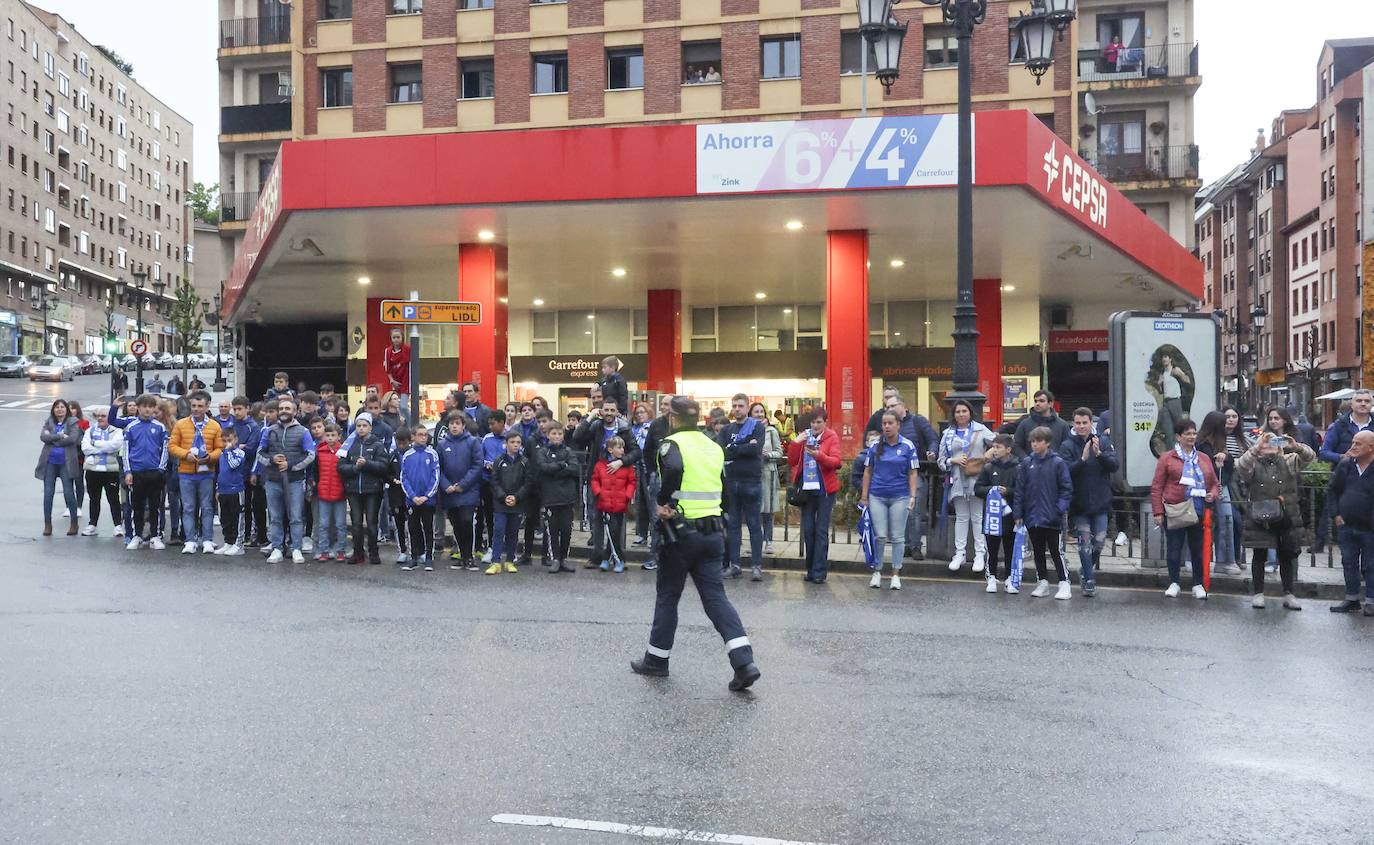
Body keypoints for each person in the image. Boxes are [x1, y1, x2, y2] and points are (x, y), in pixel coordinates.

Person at [631, 395, 760, 692]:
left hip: (680, 533)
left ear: (673, 419)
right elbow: (724, 493)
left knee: (668, 596)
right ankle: (744, 662)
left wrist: (663, 501)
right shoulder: (713, 446)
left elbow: (673, 469)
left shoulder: (671, 444)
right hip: (712, 535)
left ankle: (657, 660)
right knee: (716, 598)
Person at [1235, 427, 1313, 611]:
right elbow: (1241, 465)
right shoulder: (1254, 464)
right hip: (1260, 516)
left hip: (1286, 516)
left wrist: (1297, 446)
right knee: (1259, 554)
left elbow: (1310, 457)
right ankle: (1258, 593)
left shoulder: (1289, 461)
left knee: (1287, 555)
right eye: (1266, 443)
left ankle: (1288, 593)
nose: (1269, 446)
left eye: (1273, 443)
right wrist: (1257, 447)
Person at [1149, 418, 1220, 600]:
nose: (1191, 437)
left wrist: (1212, 494)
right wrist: (1158, 511)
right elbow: (1157, 486)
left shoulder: (1203, 458)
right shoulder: (1168, 458)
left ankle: (1198, 584)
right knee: (1174, 548)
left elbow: (1214, 484)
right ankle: (1174, 582)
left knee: (1197, 549)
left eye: (1194, 433)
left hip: (1199, 510)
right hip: (1176, 509)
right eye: (1187, 433)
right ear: (1178, 437)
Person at [1059, 407, 1118, 596]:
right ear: (1073, 424)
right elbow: (1065, 471)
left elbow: (1114, 465)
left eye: (1085, 422)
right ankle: (1089, 579)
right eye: (1078, 423)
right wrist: (1082, 460)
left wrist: (1099, 454)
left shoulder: (1103, 440)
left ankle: (1085, 571)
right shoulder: (1067, 445)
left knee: (1099, 542)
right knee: (1084, 543)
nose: (1082, 426)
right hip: (1080, 502)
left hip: (1101, 500)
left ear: (1091, 423)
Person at [860, 410, 919, 590]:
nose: (886, 426)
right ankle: (877, 572)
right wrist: (864, 496)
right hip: (877, 495)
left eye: (890, 423)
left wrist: (912, 496)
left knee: (897, 537)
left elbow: (913, 472)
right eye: (884, 424)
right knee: (880, 536)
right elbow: (868, 471)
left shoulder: (908, 446)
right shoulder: (875, 445)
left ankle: (895, 573)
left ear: (898, 425)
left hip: (899, 496)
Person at [1014, 426, 1074, 599]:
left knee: (1056, 551)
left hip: (1051, 515)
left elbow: (1066, 489)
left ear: (1047, 443)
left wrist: (1059, 509)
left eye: (1039, 441)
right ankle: (1043, 582)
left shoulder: (1057, 463)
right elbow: (1020, 490)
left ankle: (1064, 583)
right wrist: (1018, 513)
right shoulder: (1026, 463)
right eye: (1032, 441)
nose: (1035, 444)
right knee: (1038, 551)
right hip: (1032, 515)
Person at [253, 398, 315, 564]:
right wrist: (272, 460)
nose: (284, 411)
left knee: (296, 517)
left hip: (295, 480)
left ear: (295, 411)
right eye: (281, 408)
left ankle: (296, 548)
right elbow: (260, 453)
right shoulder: (269, 430)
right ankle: (277, 548)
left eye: (288, 408)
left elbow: (310, 455)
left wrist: (291, 465)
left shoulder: (303, 431)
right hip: (273, 480)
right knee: (275, 517)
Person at [937, 399, 994, 573]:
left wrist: (985, 457)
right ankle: (959, 553)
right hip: (957, 481)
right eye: (957, 412)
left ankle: (979, 554)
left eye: (964, 411)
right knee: (962, 517)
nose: (961, 414)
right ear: (953, 414)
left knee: (977, 517)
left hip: (977, 480)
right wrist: (952, 460)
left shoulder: (980, 429)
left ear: (970, 413)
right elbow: (941, 461)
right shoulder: (947, 434)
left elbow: (999, 445)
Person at [787, 408, 842, 583]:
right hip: (807, 491)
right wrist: (796, 443)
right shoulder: (805, 437)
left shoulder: (831, 437)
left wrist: (820, 456)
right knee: (809, 531)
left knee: (821, 531)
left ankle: (819, 572)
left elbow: (836, 462)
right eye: (813, 422)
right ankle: (810, 571)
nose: (815, 425)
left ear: (825, 423)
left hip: (825, 491)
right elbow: (792, 461)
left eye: (819, 422)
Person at [1317, 389, 1374, 553]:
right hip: (1344, 476)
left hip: (1370, 476)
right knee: (1331, 509)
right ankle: (1320, 542)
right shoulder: (1339, 425)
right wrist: (1343, 457)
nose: (1363, 404)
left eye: (1367, 401)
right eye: (1359, 401)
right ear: (1352, 404)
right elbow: (1324, 452)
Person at [168, 390, 224, 554]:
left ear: (207, 407)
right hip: (186, 472)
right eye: (193, 406)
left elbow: (220, 448)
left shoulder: (214, 426)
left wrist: (210, 457)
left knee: (207, 507)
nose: (196, 409)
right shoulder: (181, 424)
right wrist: (186, 455)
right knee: (188, 507)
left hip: (206, 472)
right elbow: (172, 446)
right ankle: (190, 540)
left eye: (200, 406)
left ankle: (207, 539)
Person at [717, 392, 766, 581]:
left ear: (747, 407)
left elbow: (756, 449)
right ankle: (735, 565)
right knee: (734, 526)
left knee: (754, 525)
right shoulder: (726, 429)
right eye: (734, 406)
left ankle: (756, 566)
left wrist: (734, 447)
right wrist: (744, 446)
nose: (737, 409)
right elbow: (722, 452)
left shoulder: (757, 428)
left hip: (751, 481)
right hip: (732, 482)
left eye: (740, 406)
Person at [1327, 430, 1374, 615]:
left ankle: (1371, 601)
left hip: (1370, 527)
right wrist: (1336, 514)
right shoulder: (1345, 465)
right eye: (1353, 442)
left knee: (1371, 565)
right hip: (1347, 525)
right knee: (1348, 562)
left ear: (1371, 447)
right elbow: (1333, 490)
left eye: (1358, 444)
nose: (1352, 447)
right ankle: (1352, 598)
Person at [339, 414, 390, 565]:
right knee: (356, 523)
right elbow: (341, 466)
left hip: (372, 490)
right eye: (359, 426)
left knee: (372, 523)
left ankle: (373, 552)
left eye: (364, 425)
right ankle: (358, 553)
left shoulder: (377, 444)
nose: (361, 428)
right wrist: (355, 468)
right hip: (354, 490)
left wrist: (367, 464)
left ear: (370, 427)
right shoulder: (349, 444)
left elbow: (383, 466)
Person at [122, 394, 170, 551]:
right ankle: (137, 535)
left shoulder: (160, 427)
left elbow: (164, 450)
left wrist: (161, 469)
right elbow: (126, 450)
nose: (148, 409)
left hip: (154, 472)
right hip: (136, 472)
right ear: (138, 408)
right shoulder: (131, 427)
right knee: (137, 506)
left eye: (151, 407)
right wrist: (128, 471)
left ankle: (155, 536)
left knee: (156, 506)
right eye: (144, 406)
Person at [974, 434, 1020, 593]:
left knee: (1010, 548)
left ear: (1008, 449)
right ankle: (991, 577)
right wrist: (991, 490)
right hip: (992, 515)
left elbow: (1022, 491)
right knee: (992, 548)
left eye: (998, 447)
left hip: (1010, 515)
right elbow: (978, 489)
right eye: (993, 447)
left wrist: (1008, 491)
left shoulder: (1018, 468)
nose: (995, 450)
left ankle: (1009, 578)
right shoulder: (988, 467)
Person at [438, 412, 483, 570]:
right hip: (450, 492)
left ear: (463, 426)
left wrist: (462, 485)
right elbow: (439, 468)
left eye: (457, 423)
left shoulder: (473, 442)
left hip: (468, 491)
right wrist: (446, 485)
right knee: (456, 524)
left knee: (466, 521)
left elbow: (477, 466)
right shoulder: (442, 444)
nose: (454, 426)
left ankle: (469, 556)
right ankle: (462, 556)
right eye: (451, 424)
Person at [535, 422, 580, 573]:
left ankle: (564, 559)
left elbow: (574, 468)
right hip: (550, 497)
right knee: (552, 530)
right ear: (548, 435)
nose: (557, 436)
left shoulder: (568, 451)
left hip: (567, 497)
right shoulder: (543, 452)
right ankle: (554, 558)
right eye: (553, 433)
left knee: (567, 529)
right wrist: (562, 465)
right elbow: (543, 468)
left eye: (560, 434)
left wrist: (556, 469)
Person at [36, 399, 83, 536]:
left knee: (69, 493)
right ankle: (47, 524)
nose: (60, 409)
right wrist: (59, 436)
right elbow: (43, 437)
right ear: (53, 409)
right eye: (57, 407)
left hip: (66, 462)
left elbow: (72, 439)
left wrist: (52, 439)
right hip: (49, 462)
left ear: (66, 409)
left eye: (62, 407)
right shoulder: (49, 421)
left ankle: (74, 523)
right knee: (48, 494)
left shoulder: (73, 421)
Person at [488, 430, 532, 574]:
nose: (515, 445)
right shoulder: (499, 461)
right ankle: (495, 561)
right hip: (501, 504)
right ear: (506, 443)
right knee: (499, 531)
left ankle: (509, 560)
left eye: (518, 443)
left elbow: (527, 483)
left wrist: (517, 497)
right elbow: (494, 481)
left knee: (513, 532)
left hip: (517, 504)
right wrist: (503, 497)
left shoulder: (525, 462)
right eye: (512, 442)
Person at [591, 436, 637, 573]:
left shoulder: (626, 467)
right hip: (604, 502)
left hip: (619, 504)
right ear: (610, 450)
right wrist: (598, 492)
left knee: (614, 533)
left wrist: (627, 495)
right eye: (619, 447)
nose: (622, 450)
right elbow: (594, 480)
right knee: (610, 532)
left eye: (623, 447)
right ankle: (614, 559)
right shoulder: (600, 465)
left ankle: (612, 558)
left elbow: (632, 482)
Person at [399, 425, 441, 572]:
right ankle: (414, 557)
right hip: (412, 500)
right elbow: (403, 477)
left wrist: (426, 496)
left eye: (425, 435)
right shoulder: (407, 455)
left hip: (427, 500)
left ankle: (429, 557)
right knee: (412, 529)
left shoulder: (432, 454)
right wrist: (413, 496)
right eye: (420, 435)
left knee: (428, 528)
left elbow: (435, 477)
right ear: (413, 437)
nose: (424, 437)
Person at [81, 406, 124, 537]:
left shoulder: (117, 431)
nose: (100, 418)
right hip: (93, 470)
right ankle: (92, 524)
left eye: (103, 416)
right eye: (98, 416)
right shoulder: (90, 430)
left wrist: (96, 444)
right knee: (94, 498)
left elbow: (115, 445)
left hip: (110, 470)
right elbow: (85, 448)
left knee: (113, 498)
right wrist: (104, 447)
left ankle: (117, 525)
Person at [230, 397, 266, 549]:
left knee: (255, 505)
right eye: (235, 409)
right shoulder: (232, 425)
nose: (237, 412)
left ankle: (258, 535)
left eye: (240, 409)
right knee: (239, 506)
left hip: (251, 472)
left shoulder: (253, 427)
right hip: (236, 472)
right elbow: (226, 444)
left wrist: (236, 446)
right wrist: (239, 446)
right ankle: (242, 534)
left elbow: (251, 449)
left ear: (247, 408)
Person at [1220, 406, 1252, 560]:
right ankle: (1229, 558)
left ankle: (1235, 557)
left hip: (1240, 485)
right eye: (1228, 416)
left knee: (1238, 522)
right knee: (1231, 520)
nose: (1231, 419)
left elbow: (1253, 457)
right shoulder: (1217, 437)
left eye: (1234, 416)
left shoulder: (1244, 439)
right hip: (1223, 483)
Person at [752, 402, 784, 556]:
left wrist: (768, 455)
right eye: (756, 412)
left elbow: (779, 452)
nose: (759, 414)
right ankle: (755, 541)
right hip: (751, 474)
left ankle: (769, 541)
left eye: (761, 412)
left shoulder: (771, 431)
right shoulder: (747, 431)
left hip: (768, 473)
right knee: (754, 510)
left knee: (768, 510)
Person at [313, 423, 347, 561]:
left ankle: (340, 550)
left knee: (340, 524)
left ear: (339, 436)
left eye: (333, 435)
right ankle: (324, 550)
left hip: (340, 493)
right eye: (328, 435)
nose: (330, 438)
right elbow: (316, 472)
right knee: (323, 524)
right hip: (324, 492)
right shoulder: (320, 452)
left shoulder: (343, 452)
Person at [478, 409, 507, 563]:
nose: (490, 427)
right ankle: (491, 548)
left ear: (502, 423)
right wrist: (486, 464)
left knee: (506, 517)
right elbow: (479, 458)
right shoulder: (486, 439)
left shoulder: (510, 438)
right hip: (487, 482)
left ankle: (508, 549)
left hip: (505, 484)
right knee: (489, 517)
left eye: (493, 424)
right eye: (489, 424)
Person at [213, 426, 247, 556]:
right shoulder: (222, 454)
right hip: (223, 490)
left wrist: (228, 452)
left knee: (237, 518)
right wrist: (218, 488)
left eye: (230, 440)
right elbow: (221, 472)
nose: (227, 443)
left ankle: (239, 545)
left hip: (236, 490)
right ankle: (228, 541)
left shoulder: (239, 452)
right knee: (224, 518)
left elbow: (234, 465)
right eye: (224, 440)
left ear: (235, 439)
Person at [1012, 390, 1072, 457]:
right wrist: (1027, 460)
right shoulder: (1025, 424)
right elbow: (1016, 446)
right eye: (1035, 401)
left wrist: (1057, 462)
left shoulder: (1062, 425)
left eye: (1041, 401)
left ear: (1050, 404)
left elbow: (1067, 447)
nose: (1037, 403)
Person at [386, 427, 413, 566]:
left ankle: (416, 550)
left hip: (411, 495)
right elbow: (385, 473)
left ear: (409, 441)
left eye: (404, 443)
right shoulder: (392, 455)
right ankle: (402, 550)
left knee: (413, 525)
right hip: (396, 495)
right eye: (399, 443)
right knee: (399, 524)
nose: (401, 446)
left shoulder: (413, 454)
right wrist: (392, 480)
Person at [383, 328, 411, 410]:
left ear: (402, 337)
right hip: (396, 382)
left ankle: (410, 422)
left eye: (398, 337)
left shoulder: (407, 349)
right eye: (394, 337)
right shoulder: (388, 351)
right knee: (395, 407)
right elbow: (387, 368)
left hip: (406, 381)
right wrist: (392, 380)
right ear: (391, 339)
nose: (396, 339)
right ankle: (400, 422)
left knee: (403, 407)